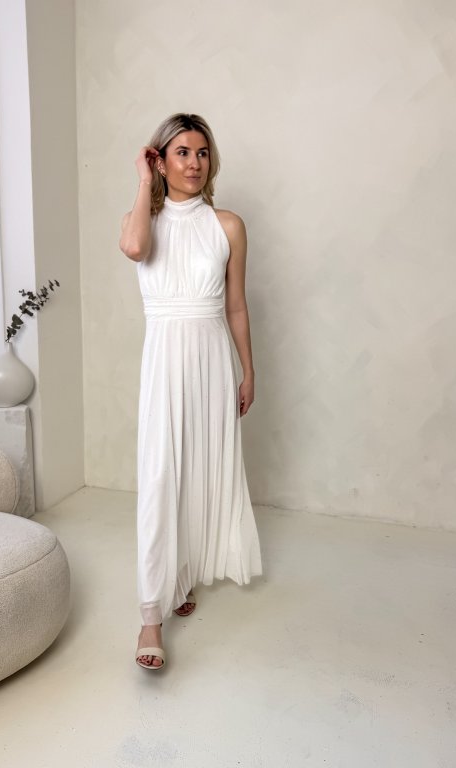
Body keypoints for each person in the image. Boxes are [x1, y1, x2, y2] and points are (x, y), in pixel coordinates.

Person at [119, 113, 263, 670]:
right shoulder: (142, 220)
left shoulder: (228, 225)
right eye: (182, 152)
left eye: (202, 153)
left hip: (212, 361)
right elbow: (135, 249)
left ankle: (182, 576)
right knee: (161, 474)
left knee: (199, 470)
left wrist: (248, 371)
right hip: (164, 362)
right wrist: (143, 181)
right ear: (161, 160)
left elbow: (236, 306)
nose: (195, 163)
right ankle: (150, 617)